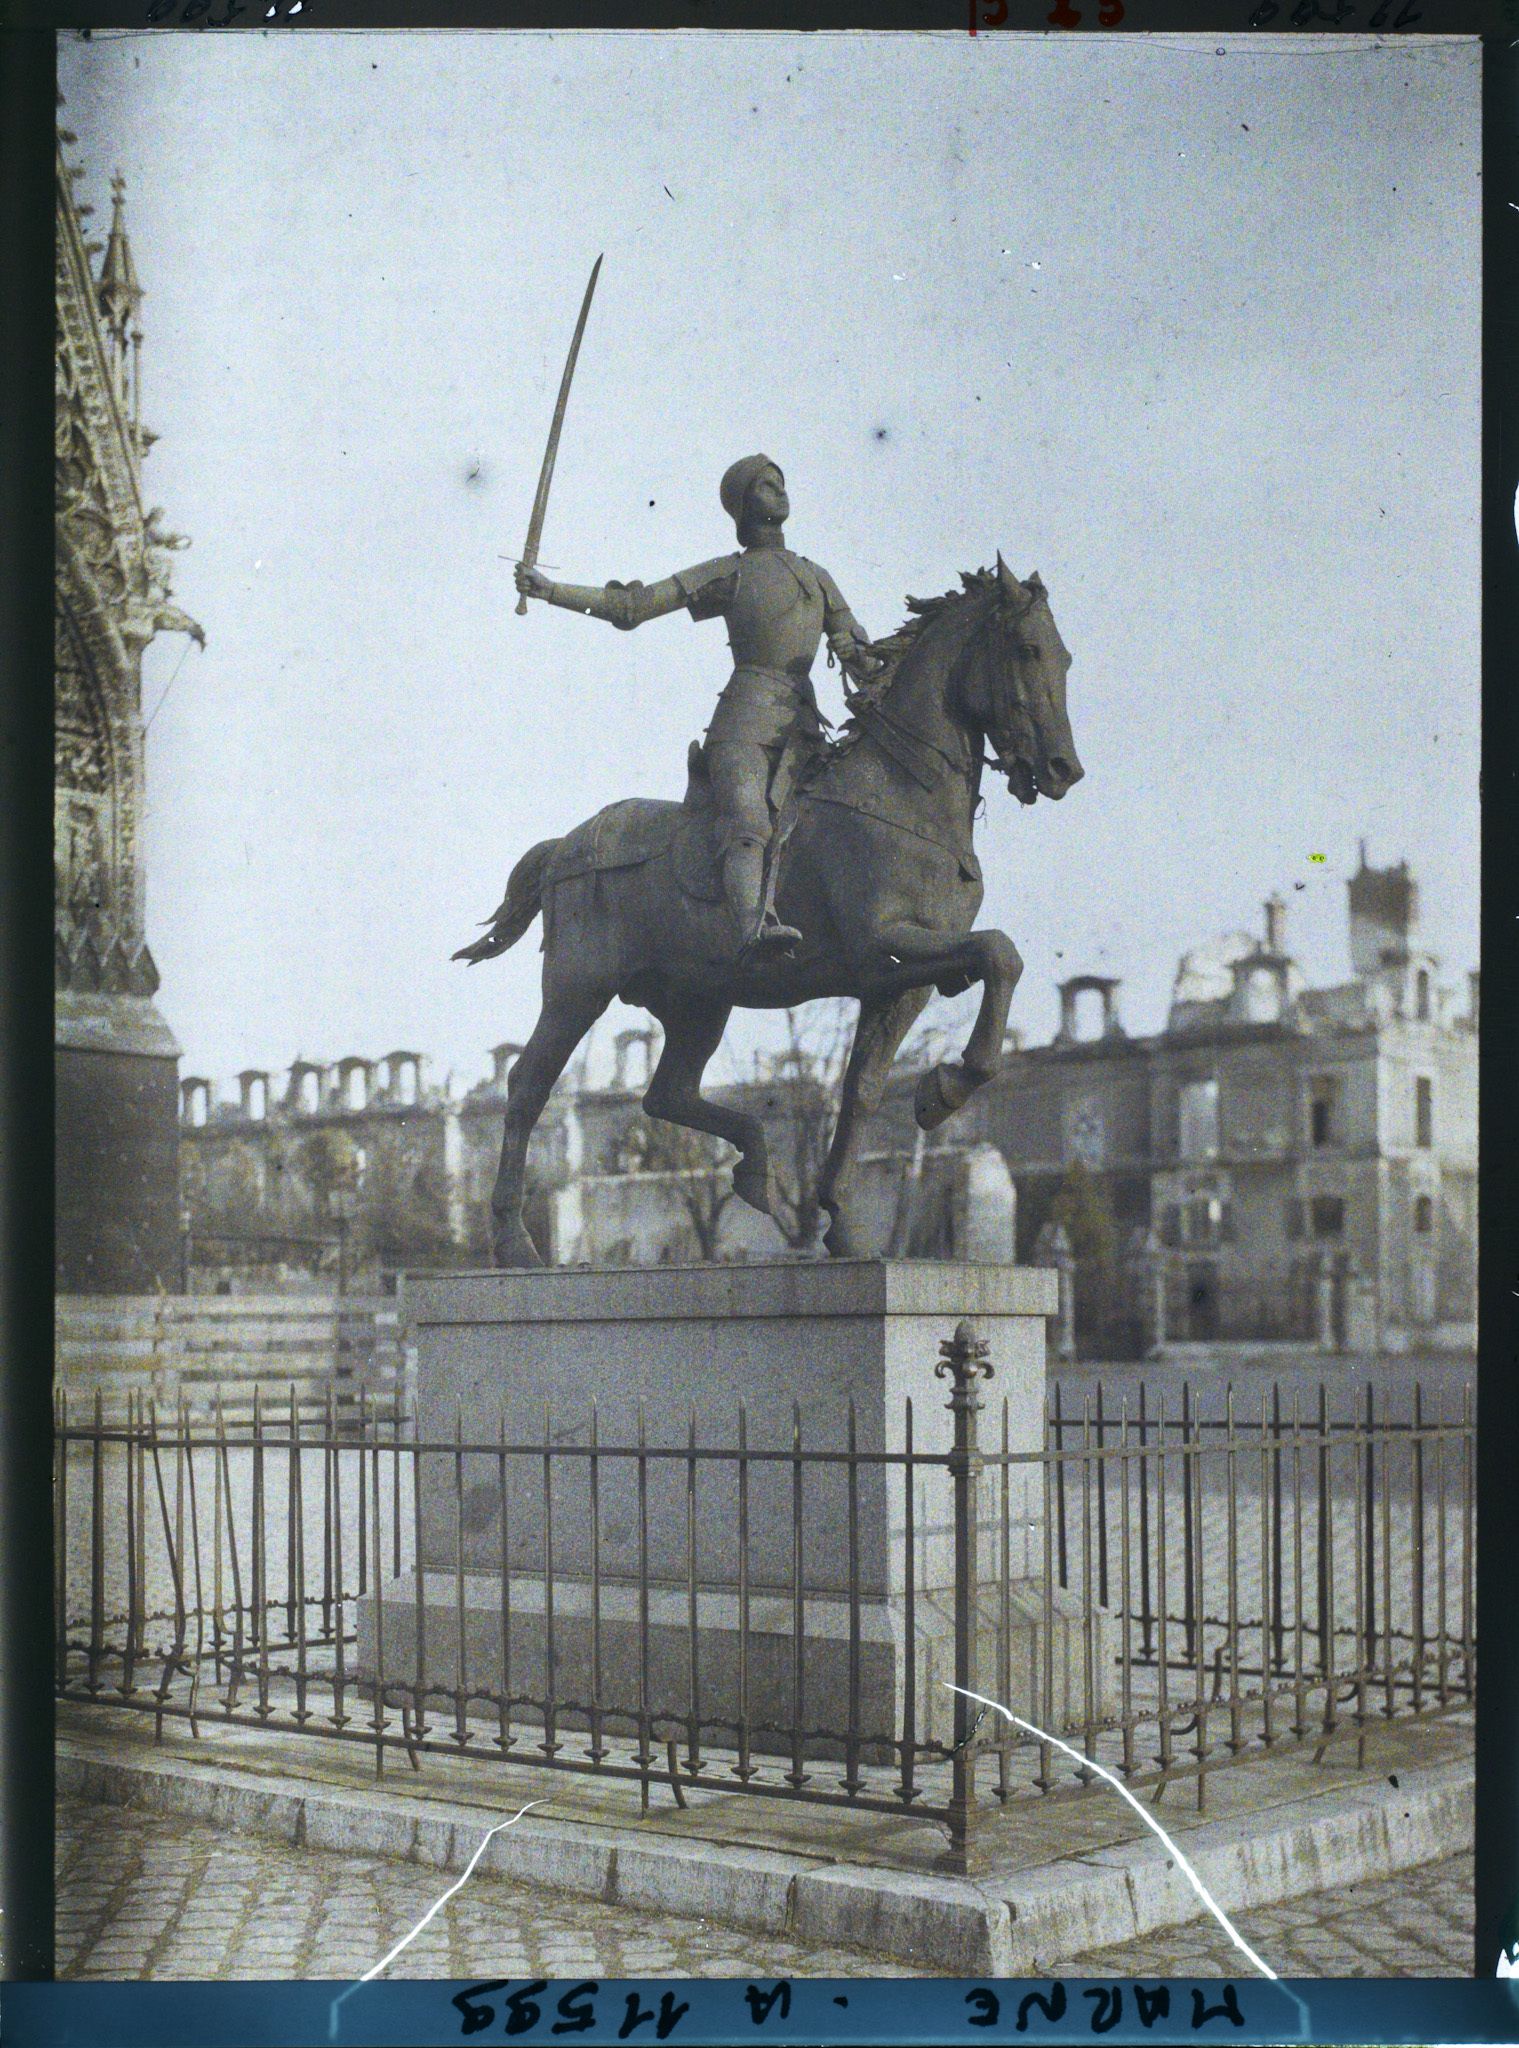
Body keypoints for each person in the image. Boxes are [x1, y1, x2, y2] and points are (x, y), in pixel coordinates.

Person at [514, 454, 878, 959]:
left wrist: (874, 663)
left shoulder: (817, 576)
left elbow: (856, 651)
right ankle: (752, 928)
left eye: (782, 482)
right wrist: (552, 591)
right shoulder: (728, 573)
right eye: (766, 485)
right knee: (748, 820)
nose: (780, 490)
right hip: (744, 727)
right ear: (743, 505)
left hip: (805, 732)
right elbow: (632, 608)